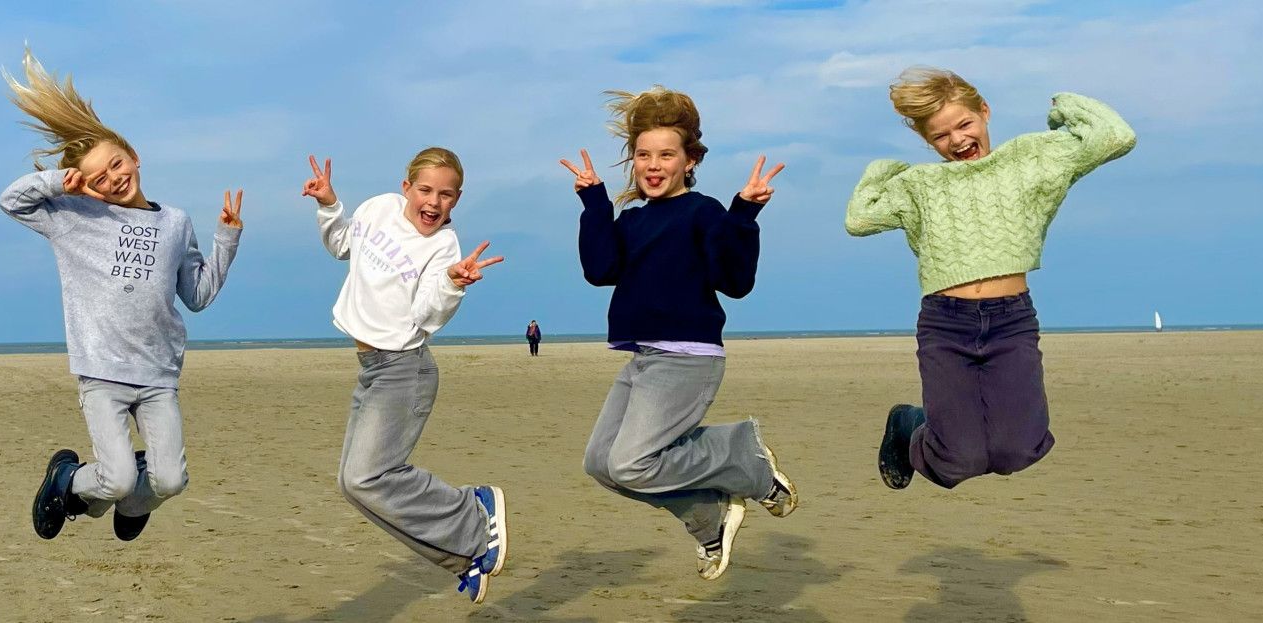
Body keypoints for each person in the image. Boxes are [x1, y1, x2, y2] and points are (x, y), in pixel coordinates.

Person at [845, 66, 1135, 491]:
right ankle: (909, 425)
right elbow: (859, 219)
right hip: (946, 324)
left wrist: (1061, 107)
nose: (958, 141)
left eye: (965, 124)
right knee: (955, 463)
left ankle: (934, 428)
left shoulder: (1031, 159)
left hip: (1010, 321)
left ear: (984, 111)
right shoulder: (921, 183)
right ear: (927, 141)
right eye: (941, 136)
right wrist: (884, 170)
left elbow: (1116, 135)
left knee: (1018, 450)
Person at [0, 47, 243, 542]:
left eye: (115, 164)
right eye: (99, 177)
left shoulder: (175, 222)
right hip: (102, 372)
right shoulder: (73, 217)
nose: (113, 178)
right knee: (113, 477)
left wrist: (227, 239)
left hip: (157, 374)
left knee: (170, 480)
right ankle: (68, 479)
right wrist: (60, 182)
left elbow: (196, 295)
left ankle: (133, 496)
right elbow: (12, 202)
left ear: (132, 155)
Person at [563, 86, 799, 582]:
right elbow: (599, 268)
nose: (653, 165)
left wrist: (743, 214)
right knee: (602, 464)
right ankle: (708, 519)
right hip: (644, 358)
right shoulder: (631, 220)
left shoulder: (704, 212)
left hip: (687, 357)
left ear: (689, 161)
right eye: (643, 155)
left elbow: (736, 283)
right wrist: (592, 203)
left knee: (632, 464)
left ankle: (745, 458)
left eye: (666, 155)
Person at [303, 149, 511, 603]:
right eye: (425, 190)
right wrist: (328, 205)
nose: (434, 202)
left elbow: (427, 312)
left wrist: (453, 283)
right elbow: (343, 245)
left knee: (367, 478)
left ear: (457, 200)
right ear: (406, 188)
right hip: (371, 368)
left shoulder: (444, 247)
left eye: (446, 195)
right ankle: (464, 556)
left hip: (404, 369)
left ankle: (472, 513)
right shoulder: (376, 208)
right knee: (353, 485)